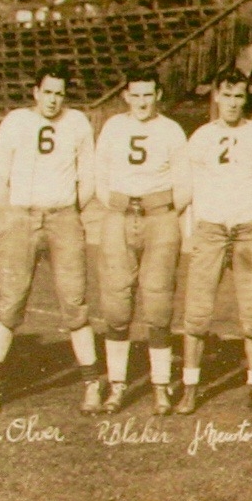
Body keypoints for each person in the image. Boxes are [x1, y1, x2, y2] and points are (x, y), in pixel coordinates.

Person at [0, 62, 100, 414]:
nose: (53, 100)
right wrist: (22, 209)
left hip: (64, 217)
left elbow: (88, 176)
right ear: (35, 91)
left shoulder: (76, 122)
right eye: (47, 92)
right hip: (22, 217)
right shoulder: (16, 121)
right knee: (11, 301)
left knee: (75, 302)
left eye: (60, 93)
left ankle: (92, 384)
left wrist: (65, 210)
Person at [172, 70, 252, 415]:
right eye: (227, 95)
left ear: (246, 98)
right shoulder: (202, 137)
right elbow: (189, 186)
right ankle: (190, 387)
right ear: (216, 96)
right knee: (197, 312)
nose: (233, 103)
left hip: (248, 231)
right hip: (211, 230)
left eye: (239, 96)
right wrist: (197, 227)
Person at [87, 75, 190, 414]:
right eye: (136, 95)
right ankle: (117, 385)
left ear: (158, 95)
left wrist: (159, 211)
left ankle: (161, 386)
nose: (143, 102)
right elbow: (99, 174)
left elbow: (184, 183)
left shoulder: (171, 130)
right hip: (119, 216)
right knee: (116, 305)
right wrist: (118, 206)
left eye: (149, 95)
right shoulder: (114, 127)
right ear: (126, 96)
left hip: (159, 217)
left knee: (158, 303)